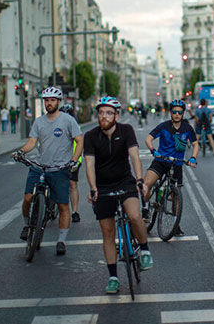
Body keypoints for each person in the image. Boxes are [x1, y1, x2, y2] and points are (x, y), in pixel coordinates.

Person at [84, 96, 153, 294]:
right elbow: (89, 164)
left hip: (125, 180)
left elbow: (134, 157)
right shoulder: (90, 136)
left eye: (108, 113)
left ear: (116, 115)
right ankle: (113, 277)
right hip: (103, 186)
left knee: (134, 215)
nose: (103, 116)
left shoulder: (126, 130)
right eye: (100, 113)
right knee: (107, 232)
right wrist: (93, 188)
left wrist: (139, 180)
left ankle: (145, 250)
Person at [13, 87, 83, 256]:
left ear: (58, 102)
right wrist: (21, 152)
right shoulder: (39, 122)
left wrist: (74, 160)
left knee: (63, 206)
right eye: (46, 100)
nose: (49, 103)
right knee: (27, 198)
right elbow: (32, 142)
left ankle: (61, 240)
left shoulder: (68, 120)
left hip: (59, 169)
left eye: (52, 100)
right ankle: (27, 225)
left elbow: (79, 141)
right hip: (39, 166)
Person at [143, 99, 199, 236]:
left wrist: (193, 157)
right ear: (171, 113)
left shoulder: (187, 128)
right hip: (161, 161)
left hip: (177, 164)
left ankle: (175, 224)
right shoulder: (164, 126)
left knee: (176, 196)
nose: (177, 114)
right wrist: (153, 150)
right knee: (146, 184)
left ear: (183, 113)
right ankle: (145, 208)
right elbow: (148, 138)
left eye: (179, 112)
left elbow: (195, 144)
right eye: (174, 112)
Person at [60, 104, 83, 223]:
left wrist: (74, 161)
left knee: (72, 184)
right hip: (56, 160)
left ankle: (74, 212)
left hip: (73, 159)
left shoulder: (75, 127)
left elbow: (79, 144)